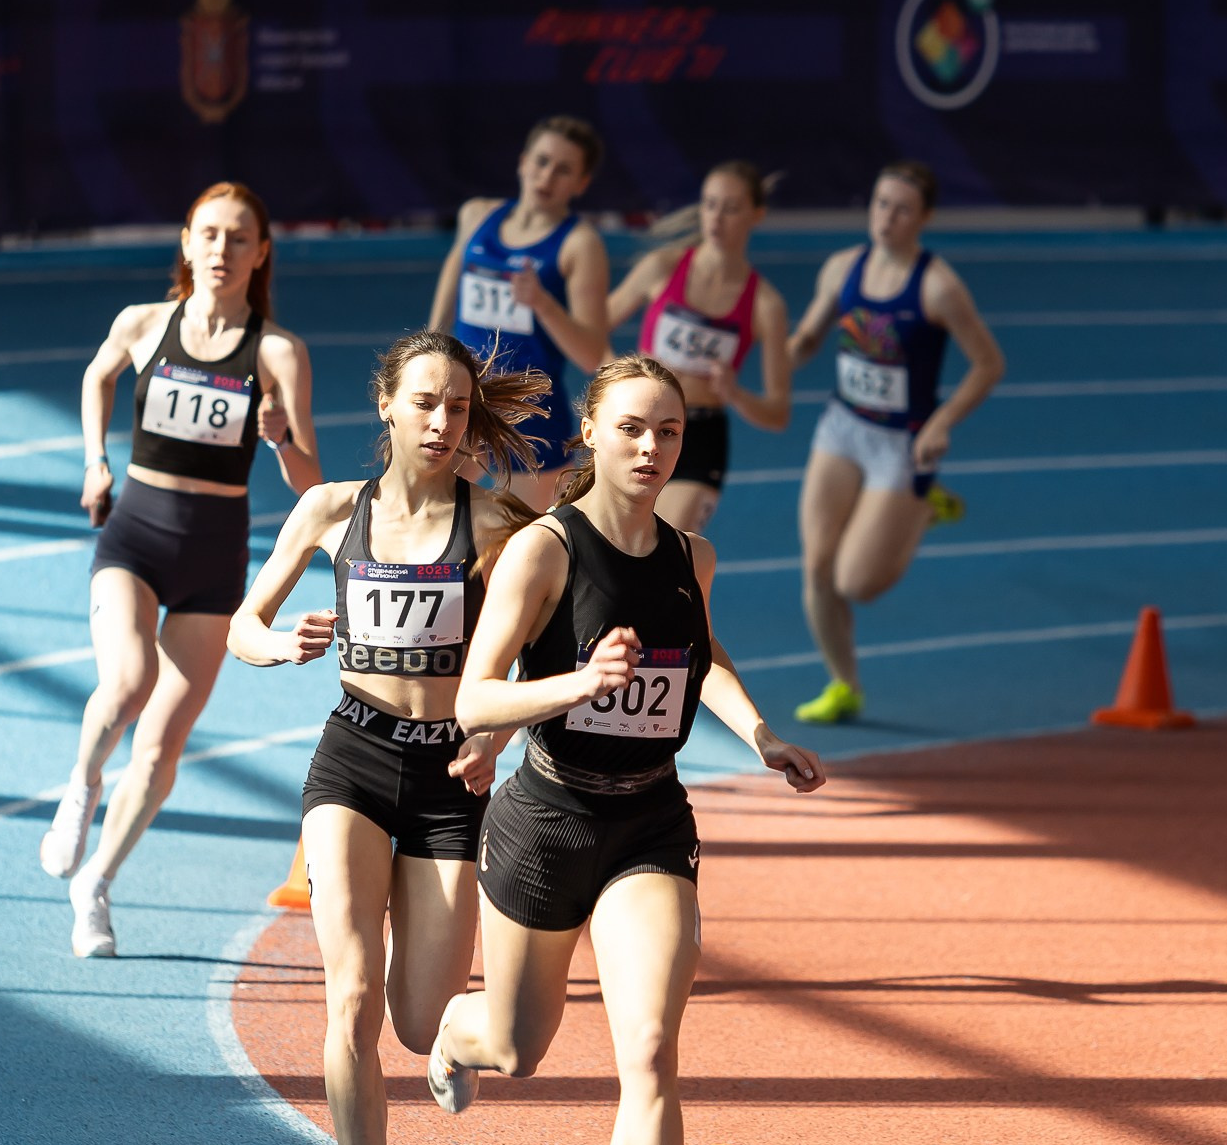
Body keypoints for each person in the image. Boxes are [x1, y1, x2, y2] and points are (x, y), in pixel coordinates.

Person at [422, 354, 825, 1145]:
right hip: (548, 818)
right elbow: (473, 701)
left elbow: (704, 655)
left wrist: (760, 734)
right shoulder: (545, 552)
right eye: (634, 429)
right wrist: (573, 686)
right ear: (592, 436)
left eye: (670, 433)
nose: (652, 449)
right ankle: (458, 1034)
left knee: (648, 1051)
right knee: (518, 1047)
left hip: (649, 824)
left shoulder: (692, 556)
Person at [227, 331, 544, 1145]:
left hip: (449, 778)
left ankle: (452, 1044)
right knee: (352, 991)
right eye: (425, 403)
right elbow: (245, 621)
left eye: (457, 407)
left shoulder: (494, 523)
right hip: (355, 759)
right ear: (387, 407)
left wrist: (495, 738)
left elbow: (530, 655)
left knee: (416, 1020)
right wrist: (280, 646)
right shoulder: (330, 510)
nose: (443, 422)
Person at [41, 182, 320, 957]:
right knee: (127, 682)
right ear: (188, 242)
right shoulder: (143, 323)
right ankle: (82, 783)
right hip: (135, 536)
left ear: (261, 252)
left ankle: (95, 883)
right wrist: (95, 462)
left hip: (213, 554)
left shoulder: (275, 351)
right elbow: (99, 376)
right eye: (210, 234)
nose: (222, 251)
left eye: (239, 238)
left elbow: (311, 484)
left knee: (162, 746)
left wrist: (279, 439)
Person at [784, 161, 1004, 724]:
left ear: (924, 218)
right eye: (881, 204)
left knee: (856, 582)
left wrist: (942, 422)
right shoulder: (842, 269)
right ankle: (844, 685)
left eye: (902, 209)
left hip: (901, 441)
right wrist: (766, 361)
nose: (887, 217)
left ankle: (922, 508)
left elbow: (988, 363)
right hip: (843, 426)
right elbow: (807, 337)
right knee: (816, 569)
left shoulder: (938, 287)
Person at [430, 116, 613, 515]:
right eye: (542, 161)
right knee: (430, 516)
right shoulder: (478, 216)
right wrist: (429, 347)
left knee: (520, 550)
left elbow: (590, 353)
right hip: (465, 401)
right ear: (523, 161)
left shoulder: (579, 245)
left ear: (581, 183)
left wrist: (543, 303)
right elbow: (453, 276)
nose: (548, 176)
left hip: (531, 418)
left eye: (564, 170)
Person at [602, 160, 793, 533]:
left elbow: (778, 413)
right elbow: (590, 330)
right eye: (710, 204)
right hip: (635, 422)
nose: (717, 218)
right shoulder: (662, 268)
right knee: (611, 546)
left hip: (699, 436)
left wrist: (735, 393)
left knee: (660, 549)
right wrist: (617, 381)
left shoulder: (765, 305)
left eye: (731, 208)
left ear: (756, 215)